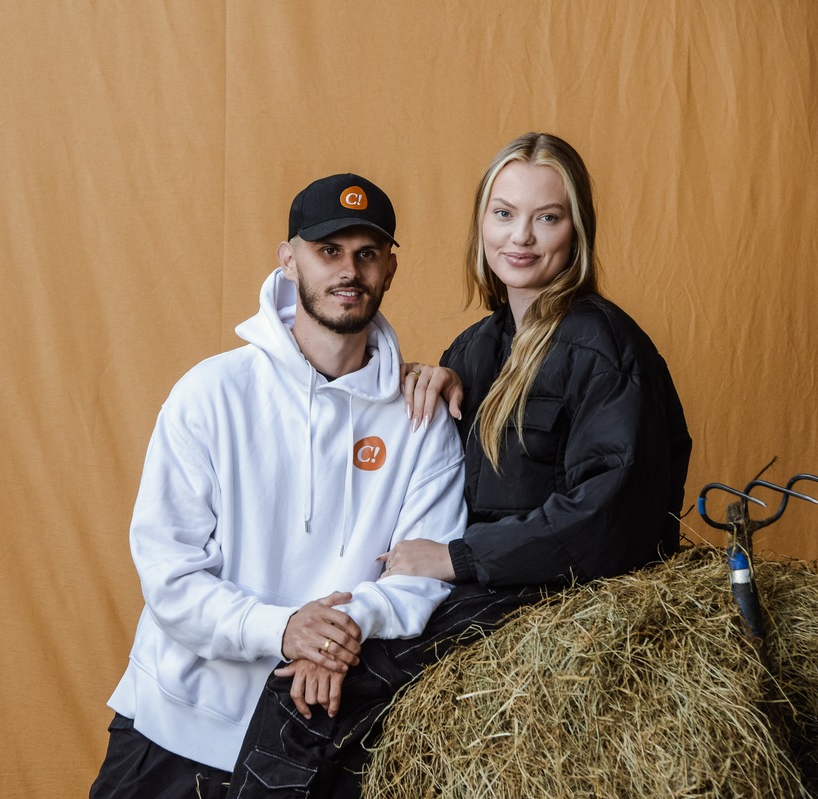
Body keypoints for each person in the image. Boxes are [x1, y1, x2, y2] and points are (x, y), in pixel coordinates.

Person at [227, 132, 692, 798]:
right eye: (504, 213)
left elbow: (607, 520)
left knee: (306, 709)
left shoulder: (601, 346)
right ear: (481, 224)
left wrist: (457, 556)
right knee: (316, 693)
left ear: (577, 229)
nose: (522, 237)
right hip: (478, 592)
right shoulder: (476, 349)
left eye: (547, 217)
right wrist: (427, 378)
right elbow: (427, 480)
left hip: (553, 599)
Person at [89, 173, 468, 799]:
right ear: (288, 261)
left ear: (390, 269)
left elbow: (424, 576)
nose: (349, 270)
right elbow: (169, 575)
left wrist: (334, 637)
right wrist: (285, 629)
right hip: (175, 724)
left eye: (366, 254)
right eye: (328, 251)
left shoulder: (420, 417)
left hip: (313, 741)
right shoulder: (210, 395)